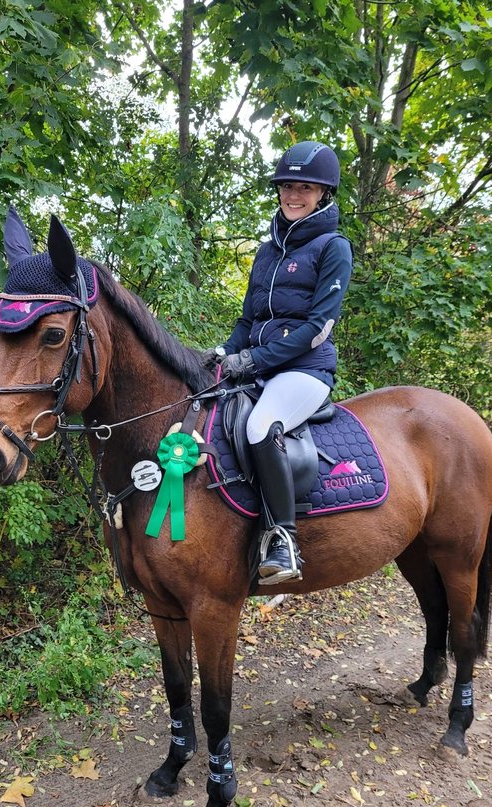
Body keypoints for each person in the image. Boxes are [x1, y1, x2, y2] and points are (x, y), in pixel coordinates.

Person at [202, 141, 353, 584]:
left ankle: (282, 538)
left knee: (258, 426)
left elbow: (316, 327)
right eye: (288, 185)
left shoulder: (333, 247)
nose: (293, 194)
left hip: (306, 371)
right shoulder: (268, 251)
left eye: (305, 187)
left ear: (323, 194)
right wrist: (224, 354)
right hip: (261, 365)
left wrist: (253, 360)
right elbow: (248, 318)